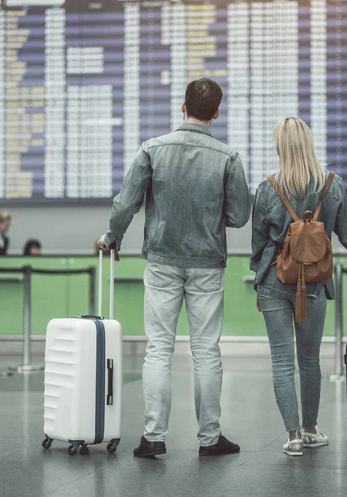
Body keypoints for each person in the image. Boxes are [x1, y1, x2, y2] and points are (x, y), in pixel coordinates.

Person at [97, 78, 250, 458]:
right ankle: (210, 438)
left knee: (159, 350)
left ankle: (153, 437)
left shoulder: (152, 149)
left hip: (163, 261)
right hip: (207, 264)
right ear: (215, 113)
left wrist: (112, 236)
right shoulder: (228, 157)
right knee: (206, 351)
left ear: (183, 107)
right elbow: (239, 215)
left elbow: (126, 203)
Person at [250, 117, 347, 458]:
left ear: (280, 146)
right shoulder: (331, 183)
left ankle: (293, 435)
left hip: (274, 281)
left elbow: (257, 242)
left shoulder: (269, 187)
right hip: (314, 282)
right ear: (308, 142)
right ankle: (311, 428)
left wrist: (260, 276)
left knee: (282, 362)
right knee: (309, 360)